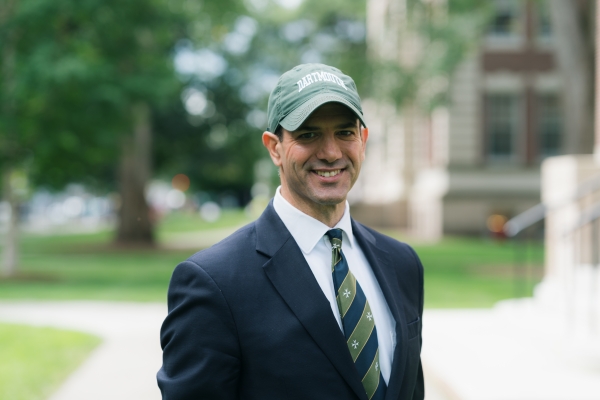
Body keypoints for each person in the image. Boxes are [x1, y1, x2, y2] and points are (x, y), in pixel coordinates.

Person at [157, 63, 424, 400]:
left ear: (363, 139)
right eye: (308, 134)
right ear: (274, 148)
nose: (331, 152)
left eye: (345, 132)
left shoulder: (403, 264)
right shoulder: (214, 283)